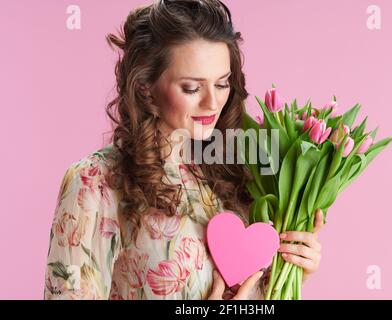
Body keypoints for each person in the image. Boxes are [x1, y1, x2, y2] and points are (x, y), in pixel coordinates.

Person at [43, 0, 324, 300]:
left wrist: (291, 271)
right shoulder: (96, 183)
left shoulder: (236, 172)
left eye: (222, 84)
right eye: (192, 88)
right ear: (144, 86)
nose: (212, 103)